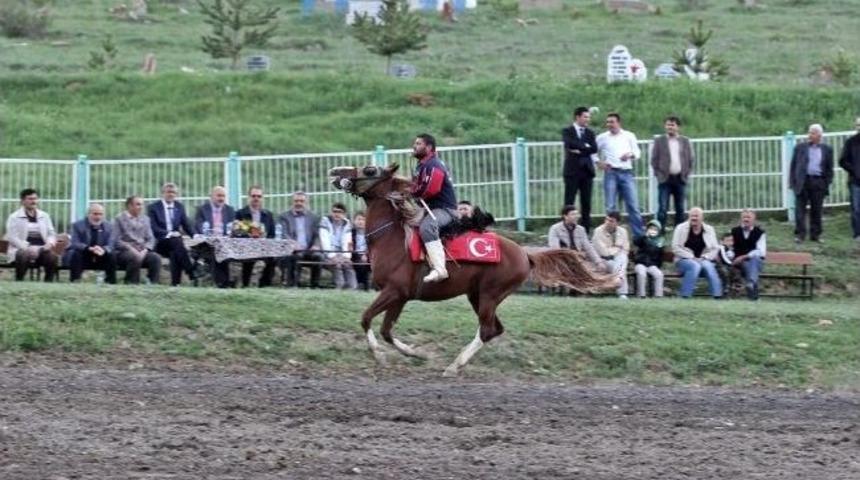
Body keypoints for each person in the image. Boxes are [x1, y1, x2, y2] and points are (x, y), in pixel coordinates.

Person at [411, 133, 458, 283]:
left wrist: (412, 192)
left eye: (418, 144)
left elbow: (431, 190)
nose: (414, 146)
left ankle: (440, 269)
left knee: (427, 227)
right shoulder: (423, 165)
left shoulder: (433, 165)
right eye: (415, 143)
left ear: (429, 147)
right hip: (431, 208)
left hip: (445, 210)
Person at [596, 112, 645, 238]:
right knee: (610, 206)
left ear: (618, 123)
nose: (609, 125)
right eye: (607, 122)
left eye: (612, 122)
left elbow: (637, 152)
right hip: (610, 172)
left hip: (626, 172)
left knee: (633, 205)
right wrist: (598, 162)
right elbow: (592, 151)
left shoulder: (629, 135)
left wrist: (630, 155)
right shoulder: (602, 137)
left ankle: (639, 237)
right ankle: (610, 235)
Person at [790, 124, 834, 243]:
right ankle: (800, 235)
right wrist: (792, 183)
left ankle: (816, 235)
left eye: (813, 133)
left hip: (818, 182)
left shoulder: (827, 149)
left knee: (817, 210)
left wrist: (826, 183)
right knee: (800, 210)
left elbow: (829, 168)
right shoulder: (800, 148)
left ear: (820, 135)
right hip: (803, 181)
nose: (810, 135)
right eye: (809, 132)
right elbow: (793, 166)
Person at [650, 116, 694, 233]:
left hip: (680, 179)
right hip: (665, 179)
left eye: (673, 125)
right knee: (662, 208)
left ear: (678, 127)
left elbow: (690, 159)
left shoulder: (685, 141)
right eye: (668, 124)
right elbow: (654, 160)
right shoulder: (659, 141)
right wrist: (658, 175)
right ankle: (660, 233)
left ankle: (679, 233)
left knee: (680, 208)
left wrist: (686, 174)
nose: (670, 127)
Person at [147, 182, 196, 286]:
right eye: (168, 192)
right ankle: (190, 270)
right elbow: (153, 228)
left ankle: (175, 284)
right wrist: (169, 233)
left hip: (175, 243)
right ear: (162, 193)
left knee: (175, 252)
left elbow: (186, 225)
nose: (171, 195)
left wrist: (195, 236)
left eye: (174, 192)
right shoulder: (153, 207)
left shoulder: (179, 206)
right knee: (176, 241)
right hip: (160, 241)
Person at [4, 188, 58, 282]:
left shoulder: (44, 216)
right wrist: (26, 248)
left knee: (51, 256)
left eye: (35, 199)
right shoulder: (14, 217)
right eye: (30, 199)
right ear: (23, 201)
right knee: (23, 254)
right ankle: (19, 280)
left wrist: (49, 243)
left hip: (41, 248)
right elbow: (12, 236)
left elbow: (51, 233)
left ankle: (49, 282)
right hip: (21, 248)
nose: (34, 201)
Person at [672, 207, 722, 299]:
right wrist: (691, 257)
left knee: (708, 266)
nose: (694, 218)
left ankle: (717, 296)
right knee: (694, 265)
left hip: (703, 259)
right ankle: (685, 296)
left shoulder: (709, 229)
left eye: (696, 216)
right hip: (683, 261)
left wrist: (705, 257)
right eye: (691, 216)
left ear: (702, 218)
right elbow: (675, 247)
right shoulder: (680, 228)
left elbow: (715, 248)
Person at [562, 106, 598, 232]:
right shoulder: (567, 131)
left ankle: (585, 230)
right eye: (585, 117)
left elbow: (594, 148)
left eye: (589, 117)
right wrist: (585, 147)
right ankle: (566, 229)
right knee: (569, 202)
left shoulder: (590, 132)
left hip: (587, 171)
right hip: (572, 171)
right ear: (577, 117)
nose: (587, 119)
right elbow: (569, 144)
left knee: (586, 203)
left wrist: (579, 149)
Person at [63, 203, 117, 284]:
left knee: (111, 254)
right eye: (95, 214)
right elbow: (74, 242)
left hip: (101, 255)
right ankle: (75, 282)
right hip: (84, 254)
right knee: (75, 254)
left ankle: (111, 283)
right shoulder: (77, 225)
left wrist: (104, 249)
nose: (98, 217)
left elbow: (111, 243)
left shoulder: (109, 226)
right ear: (88, 214)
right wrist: (88, 248)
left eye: (100, 214)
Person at [194, 185, 236, 288]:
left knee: (222, 249)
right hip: (207, 243)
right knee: (216, 249)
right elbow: (198, 227)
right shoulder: (202, 210)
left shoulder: (230, 210)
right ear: (211, 196)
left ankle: (222, 282)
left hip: (225, 243)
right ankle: (222, 283)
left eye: (223, 196)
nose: (221, 198)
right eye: (218, 195)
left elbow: (232, 229)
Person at [235, 185, 276, 288]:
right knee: (249, 258)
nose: (256, 198)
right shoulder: (240, 214)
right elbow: (236, 233)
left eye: (259, 196)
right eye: (253, 196)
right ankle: (245, 285)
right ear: (248, 197)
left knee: (273, 258)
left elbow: (272, 234)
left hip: (264, 247)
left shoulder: (268, 215)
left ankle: (264, 286)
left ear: (262, 198)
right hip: (246, 246)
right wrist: (249, 236)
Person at [279, 191, 323, 288]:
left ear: (306, 203)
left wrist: (316, 245)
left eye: (302, 201)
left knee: (318, 257)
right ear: (292, 202)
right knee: (294, 257)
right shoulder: (284, 217)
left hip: (309, 249)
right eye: (296, 201)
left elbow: (317, 235)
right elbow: (284, 234)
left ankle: (315, 285)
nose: (299, 203)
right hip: (293, 249)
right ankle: (293, 285)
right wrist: (293, 244)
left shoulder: (314, 217)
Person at [114, 195, 162, 284]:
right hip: (125, 251)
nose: (141, 207)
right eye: (138, 204)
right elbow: (116, 240)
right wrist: (131, 249)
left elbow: (151, 239)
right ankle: (131, 284)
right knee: (134, 257)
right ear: (130, 206)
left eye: (142, 205)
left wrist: (145, 250)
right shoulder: (119, 219)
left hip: (142, 250)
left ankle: (153, 284)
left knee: (156, 258)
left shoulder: (146, 219)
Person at [547, 205, 606, 270]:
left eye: (577, 214)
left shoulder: (581, 229)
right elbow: (555, 249)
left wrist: (598, 262)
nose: (576, 217)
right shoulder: (555, 229)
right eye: (573, 214)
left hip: (579, 259)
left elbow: (588, 247)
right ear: (565, 216)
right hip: (563, 260)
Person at [592, 211, 630, 299]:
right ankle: (622, 293)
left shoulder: (623, 231)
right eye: (607, 220)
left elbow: (626, 249)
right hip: (603, 261)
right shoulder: (598, 231)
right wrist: (617, 248)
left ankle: (619, 282)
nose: (607, 222)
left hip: (618, 259)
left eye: (611, 221)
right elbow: (603, 251)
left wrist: (614, 249)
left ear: (617, 223)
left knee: (622, 258)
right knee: (620, 266)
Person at [319, 202, 357, 289]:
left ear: (344, 214)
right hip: (326, 254)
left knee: (348, 264)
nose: (337, 214)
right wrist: (332, 256)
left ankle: (353, 288)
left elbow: (347, 241)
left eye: (340, 212)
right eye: (335, 211)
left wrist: (346, 257)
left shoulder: (347, 224)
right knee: (337, 265)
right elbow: (324, 241)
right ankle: (340, 287)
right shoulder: (325, 222)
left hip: (341, 253)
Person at [731, 209, 767, 300]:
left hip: (752, 262)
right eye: (744, 217)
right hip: (738, 264)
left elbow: (761, 252)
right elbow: (729, 248)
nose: (746, 219)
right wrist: (733, 259)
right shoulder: (734, 231)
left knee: (754, 260)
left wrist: (745, 256)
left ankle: (751, 285)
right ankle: (752, 289)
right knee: (752, 263)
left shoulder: (760, 233)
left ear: (754, 219)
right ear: (741, 218)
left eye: (748, 217)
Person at [838, 116, 860, 242]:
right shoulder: (850, 142)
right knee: (856, 209)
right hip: (855, 182)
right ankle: (857, 233)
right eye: (858, 125)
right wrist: (855, 171)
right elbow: (842, 161)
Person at [632, 219, 665, 298]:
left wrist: (657, 265)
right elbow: (636, 242)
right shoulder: (643, 238)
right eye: (651, 228)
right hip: (641, 263)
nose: (653, 231)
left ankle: (658, 296)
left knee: (659, 275)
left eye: (655, 229)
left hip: (652, 265)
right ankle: (642, 296)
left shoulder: (660, 241)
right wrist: (644, 236)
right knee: (641, 273)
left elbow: (660, 256)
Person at [352, 211, 371, 290]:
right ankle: (362, 285)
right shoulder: (351, 232)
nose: (361, 222)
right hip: (354, 255)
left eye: (363, 220)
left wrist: (366, 254)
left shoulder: (370, 233)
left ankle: (365, 286)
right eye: (358, 219)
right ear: (354, 221)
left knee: (365, 263)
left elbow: (372, 246)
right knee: (360, 263)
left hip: (367, 255)